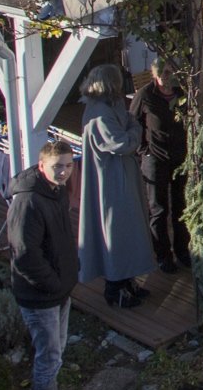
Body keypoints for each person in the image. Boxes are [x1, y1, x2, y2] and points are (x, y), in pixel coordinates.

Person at [6, 139, 87, 390]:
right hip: (41, 296)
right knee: (48, 360)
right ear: (41, 166)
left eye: (68, 165)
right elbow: (25, 254)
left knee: (57, 354)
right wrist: (54, 284)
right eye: (57, 167)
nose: (64, 172)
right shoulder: (28, 201)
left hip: (59, 290)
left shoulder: (54, 191)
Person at [79, 63, 156, 308]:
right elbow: (122, 143)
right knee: (117, 231)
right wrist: (135, 129)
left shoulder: (110, 106)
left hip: (119, 177)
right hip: (111, 182)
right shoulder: (99, 113)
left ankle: (128, 280)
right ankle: (116, 287)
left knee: (129, 228)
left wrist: (131, 124)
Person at [131, 57, 191, 274]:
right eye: (164, 73)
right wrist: (143, 150)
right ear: (154, 74)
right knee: (158, 208)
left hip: (179, 156)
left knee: (180, 206)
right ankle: (163, 255)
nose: (168, 78)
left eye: (171, 72)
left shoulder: (181, 93)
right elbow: (133, 122)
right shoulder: (145, 96)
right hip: (155, 158)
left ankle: (182, 251)